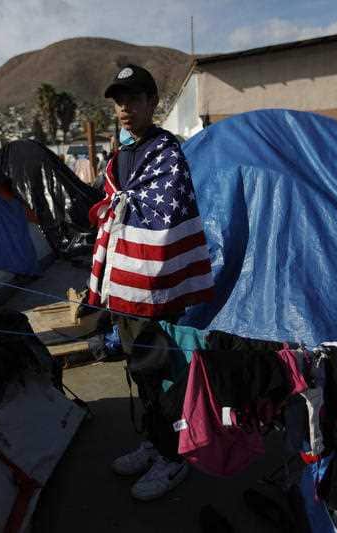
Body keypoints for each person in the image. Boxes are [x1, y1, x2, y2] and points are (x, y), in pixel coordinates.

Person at [87, 64, 215, 501]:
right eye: (118, 100)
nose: (124, 108)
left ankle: (175, 457)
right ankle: (154, 440)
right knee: (137, 365)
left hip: (154, 283)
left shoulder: (166, 151)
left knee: (160, 367)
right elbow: (114, 206)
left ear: (151, 104)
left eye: (134, 99)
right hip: (124, 282)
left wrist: (124, 208)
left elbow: (168, 217)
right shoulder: (121, 154)